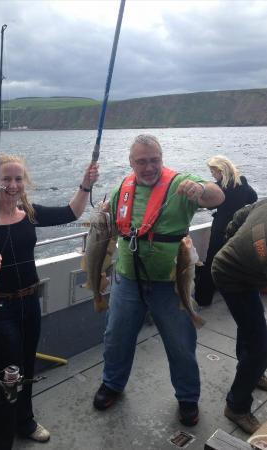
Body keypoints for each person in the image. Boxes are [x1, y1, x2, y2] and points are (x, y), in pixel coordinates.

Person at [0, 154, 98, 449]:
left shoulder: (30, 213)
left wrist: (85, 185)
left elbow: (71, 213)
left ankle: (24, 421)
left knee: (25, 367)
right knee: (6, 377)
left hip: (28, 304)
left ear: (24, 182)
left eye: (18, 178)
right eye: (6, 179)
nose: (13, 185)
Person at [93, 134, 224, 426]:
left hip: (170, 283)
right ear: (131, 163)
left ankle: (188, 398)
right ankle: (112, 383)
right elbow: (109, 230)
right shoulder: (122, 189)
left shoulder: (180, 184)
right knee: (116, 337)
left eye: (155, 160)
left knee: (180, 343)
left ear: (162, 159)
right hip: (127, 280)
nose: (149, 167)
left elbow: (218, 195)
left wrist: (200, 188)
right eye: (142, 161)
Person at [211, 199, 267, 434]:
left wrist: (232, 241)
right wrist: (238, 254)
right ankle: (237, 406)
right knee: (261, 346)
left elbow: (239, 215)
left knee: (252, 326)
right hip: (228, 274)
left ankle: (250, 373)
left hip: (248, 270)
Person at [195, 155, 257, 306]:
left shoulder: (218, 187)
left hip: (221, 228)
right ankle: (241, 296)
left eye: (213, 171)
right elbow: (253, 198)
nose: (212, 174)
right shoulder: (242, 181)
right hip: (238, 227)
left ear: (220, 170)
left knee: (212, 261)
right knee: (236, 261)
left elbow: (209, 206)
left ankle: (204, 299)